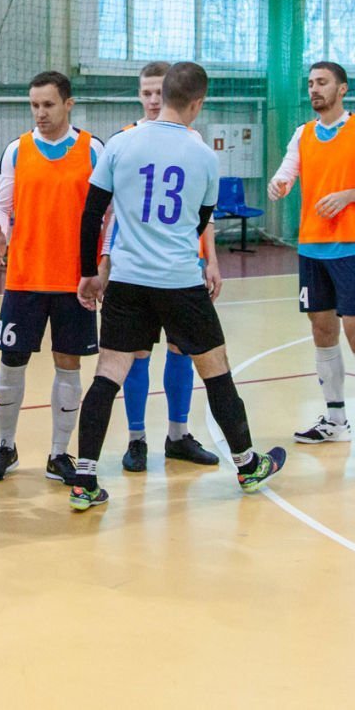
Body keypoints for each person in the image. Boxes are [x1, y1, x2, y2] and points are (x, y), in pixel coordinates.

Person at [68, 62, 285, 511]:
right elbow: (202, 221)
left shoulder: (121, 143)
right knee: (216, 369)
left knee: (108, 373)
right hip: (180, 280)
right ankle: (247, 465)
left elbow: (92, 214)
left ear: (161, 94)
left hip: (127, 278)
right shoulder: (204, 155)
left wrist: (89, 271)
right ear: (197, 103)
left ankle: (84, 479)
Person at [267, 61, 355, 460]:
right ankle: (335, 420)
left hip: (352, 247)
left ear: (342, 88)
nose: (314, 89)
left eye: (322, 82)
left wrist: (348, 196)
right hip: (312, 248)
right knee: (322, 331)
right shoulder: (303, 134)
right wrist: (279, 184)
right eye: (310, 83)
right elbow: (287, 171)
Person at [0, 71, 101, 484]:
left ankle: (58, 453)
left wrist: (101, 266)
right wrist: (0, 232)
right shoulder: (17, 150)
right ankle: (5, 446)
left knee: (68, 365)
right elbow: (1, 205)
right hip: (25, 278)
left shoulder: (93, 150)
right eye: (34, 105)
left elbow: (108, 214)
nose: (40, 113)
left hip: (74, 281)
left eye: (48, 104)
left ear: (68, 104)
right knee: (11, 363)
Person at [105, 61, 220, 472]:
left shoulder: (193, 142)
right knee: (136, 352)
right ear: (139, 96)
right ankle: (136, 439)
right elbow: (110, 213)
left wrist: (210, 259)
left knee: (181, 348)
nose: (154, 100)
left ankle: (178, 435)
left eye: (159, 92)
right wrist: (104, 261)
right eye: (147, 93)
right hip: (135, 268)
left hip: (180, 265)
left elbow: (203, 212)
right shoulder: (126, 141)